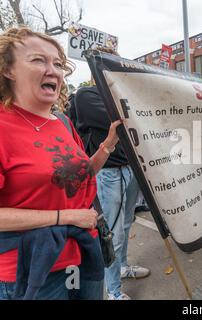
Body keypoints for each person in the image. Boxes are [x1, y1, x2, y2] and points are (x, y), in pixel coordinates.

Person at [0, 27, 123, 300]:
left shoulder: (62, 123)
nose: (52, 70)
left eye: (57, 63)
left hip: (81, 255)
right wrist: (65, 217)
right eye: (38, 60)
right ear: (8, 69)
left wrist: (108, 145)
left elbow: (80, 175)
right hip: (31, 272)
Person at [71, 47, 150, 300]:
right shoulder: (86, 95)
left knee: (126, 226)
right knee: (113, 234)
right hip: (108, 174)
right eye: (105, 64)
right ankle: (113, 292)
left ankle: (123, 267)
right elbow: (127, 117)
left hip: (130, 170)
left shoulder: (121, 93)